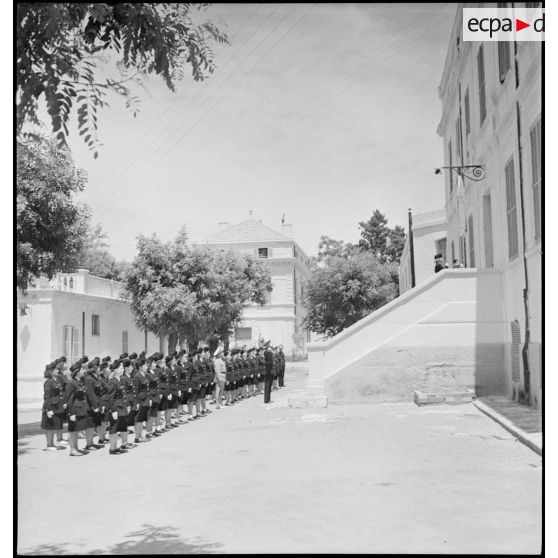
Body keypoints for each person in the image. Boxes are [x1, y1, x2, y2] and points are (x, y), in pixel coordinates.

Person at [65, 361, 91, 456]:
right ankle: (72, 449)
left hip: (80, 409)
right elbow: (69, 399)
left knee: (76, 430)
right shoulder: (71, 383)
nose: (84, 371)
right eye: (82, 369)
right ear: (77, 371)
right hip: (74, 410)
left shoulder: (79, 381)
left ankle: (76, 448)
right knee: (72, 430)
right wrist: (71, 413)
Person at [41, 362, 66, 451]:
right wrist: (48, 409)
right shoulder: (48, 382)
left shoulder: (56, 380)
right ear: (51, 371)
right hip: (50, 407)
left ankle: (52, 444)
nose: (57, 370)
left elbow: (60, 394)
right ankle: (49, 445)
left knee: (53, 426)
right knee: (49, 427)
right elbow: (47, 397)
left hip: (56, 407)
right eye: (55, 369)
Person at [107, 359, 130, 455]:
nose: (122, 370)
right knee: (114, 428)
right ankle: (112, 448)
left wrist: (127, 405)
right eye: (121, 368)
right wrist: (113, 410)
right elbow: (111, 397)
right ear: (115, 370)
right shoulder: (113, 382)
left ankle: (116, 447)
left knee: (120, 427)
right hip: (116, 408)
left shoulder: (120, 380)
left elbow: (123, 395)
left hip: (122, 407)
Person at [133, 357, 151, 443]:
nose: (146, 367)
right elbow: (135, 391)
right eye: (145, 365)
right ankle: (137, 437)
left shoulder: (144, 375)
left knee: (141, 419)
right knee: (139, 419)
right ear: (140, 367)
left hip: (145, 400)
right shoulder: (137, 376)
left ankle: (140, 436)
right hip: (140, 400)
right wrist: (136, 402)